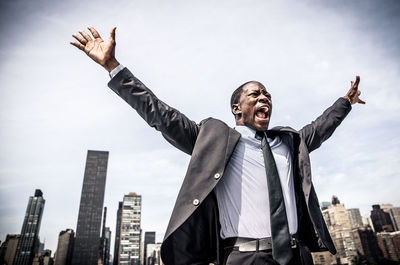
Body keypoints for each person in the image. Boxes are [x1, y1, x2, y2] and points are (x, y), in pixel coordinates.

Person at [71, 27, 365, 265]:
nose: (265, 98)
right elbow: (158, 113)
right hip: (244, 257)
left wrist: (346, 102)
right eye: (256, 94)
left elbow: (322, 127)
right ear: (237, 108)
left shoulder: (289, 143)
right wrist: (112, 66)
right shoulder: (213, 140)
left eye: (268, 95)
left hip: (297, 256)